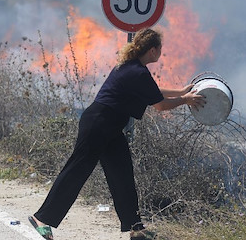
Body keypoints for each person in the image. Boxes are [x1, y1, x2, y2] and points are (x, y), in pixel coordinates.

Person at [28, 28, 205, 240]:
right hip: (98, 124)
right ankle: (42, 218)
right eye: (160, 49)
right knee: (77, 171)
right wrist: (185, 100)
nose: (160, 52)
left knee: (122, 175)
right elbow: (160, 105)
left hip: (109, 126)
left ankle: (135, 228)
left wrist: (182, 91)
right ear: (152, 50)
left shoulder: (133, 67)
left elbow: (154, 91)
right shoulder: (137, 72)